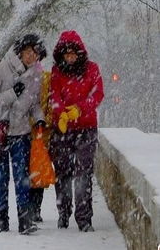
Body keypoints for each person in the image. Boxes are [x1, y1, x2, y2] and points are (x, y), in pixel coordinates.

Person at [0, 33, 47, 235]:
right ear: (20, 51)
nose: (31, 57)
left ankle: (24, 220)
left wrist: (39, 118)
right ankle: (3, 219)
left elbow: (34, 103)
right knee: (1, 178)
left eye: (35, 54)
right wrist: (13, 93)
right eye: (28, 52)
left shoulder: (36, 75)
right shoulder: (2, 68)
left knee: (22, 177)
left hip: (21, 132)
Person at [49, 30, 104, 232]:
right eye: (66, 54)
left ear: (80, 53)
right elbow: (53, 96)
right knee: (62, 173)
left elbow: (97, 94)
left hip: (86, 129)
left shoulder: (92, 69)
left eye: (73, 53)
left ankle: (84, 218)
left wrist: (79, 109)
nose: (70, 57)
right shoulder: (57, 72)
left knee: (83, 174)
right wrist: (61, 114)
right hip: (62, 130)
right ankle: (63, 212)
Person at [29, 69, 52, 223]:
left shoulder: (47, 79)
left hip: (41, 135)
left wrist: (44, 121)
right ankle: (31, 209)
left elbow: (52, 105)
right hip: (27, 134)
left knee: (38, 175)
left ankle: (35, 209)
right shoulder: (23, 79)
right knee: (29, 174)